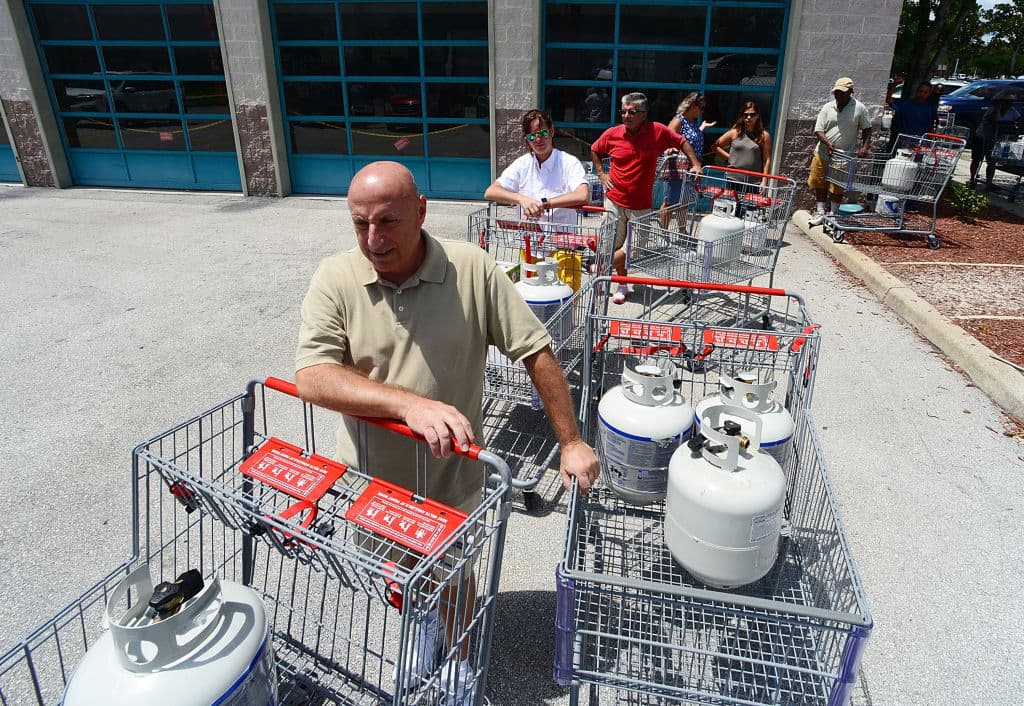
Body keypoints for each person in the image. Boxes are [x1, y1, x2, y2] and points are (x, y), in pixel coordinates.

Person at [294, 161, 600, 703]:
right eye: (360, 223)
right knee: (399, 569)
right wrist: (408, 403)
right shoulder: (335, 277)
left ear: (421, 211)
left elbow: (536, 352)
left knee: (455, 573)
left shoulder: (472, 270)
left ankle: (458, 652)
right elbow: (314, 376)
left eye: (387, 221)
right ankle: (423, 623)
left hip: (451, 475)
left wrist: (571, 442)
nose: (373, 238)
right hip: (374, 478)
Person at [590, 92, 702, 304]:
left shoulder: (657, 131)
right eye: (623, 111)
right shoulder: (613, 134)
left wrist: (695, 163)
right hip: (614, 201)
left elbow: (682, 141)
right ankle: (621, 284)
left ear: (644, 114)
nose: (626, 116)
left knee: (635, 248)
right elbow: (595, 149)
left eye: (632, 112)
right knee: (612, 244)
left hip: (640, 205)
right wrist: (601, 174)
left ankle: (601, 268)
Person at [484, 108, 589, 227]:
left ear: (552, 132)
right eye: (532, 137)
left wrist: (545, 204)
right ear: (527, 139)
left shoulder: (568, 162)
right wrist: (521, 199)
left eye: (543, 133)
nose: (538, 140)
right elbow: (491, 191)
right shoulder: (522, 164)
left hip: (561, 239)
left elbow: (582, 195)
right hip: (528, 238)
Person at [807, 77, 872, 226]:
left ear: (850, 92)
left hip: (843, 155)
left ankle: (833, 214)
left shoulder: (859, 108)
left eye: (842, 93)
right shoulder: (827, 107)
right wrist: (828, 143)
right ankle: (821, 212)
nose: (838, 96)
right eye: (836, 92)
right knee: (820, 182)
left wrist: (865, 147)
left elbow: (867, 129)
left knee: (837, 186)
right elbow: (818, 130)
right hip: (823, 152)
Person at [658, 92, 715, 227]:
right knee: (670, 202)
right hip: (677, 169)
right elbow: (667, 140)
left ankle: (682, 232)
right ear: (693, 106)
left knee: (684, 203)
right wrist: (669, 149)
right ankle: (663, 232)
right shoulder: (678, 121)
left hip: (690, 170)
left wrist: (702, 128)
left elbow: (691, 140)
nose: (702, 111)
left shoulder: (693, 123)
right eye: (701, 108)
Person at [713, 102, 772, 188]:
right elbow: (715, 146)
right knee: (730, 201)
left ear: (758, 116)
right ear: (742, 116)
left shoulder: (764, 136)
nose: (749, 117)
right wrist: (730, 157)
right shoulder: (735, 133)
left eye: (752, 115)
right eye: (745, 115)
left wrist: (764, 181)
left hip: (753, 182)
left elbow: (766, 160)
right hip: (733, 178)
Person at [970, 99, 1022, 189]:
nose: (1008, 104)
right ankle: (972, 178)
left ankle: (989, 182)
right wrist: (997, 108)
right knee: (977, 159)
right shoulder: (993, 109)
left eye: (1010, 103)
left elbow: (1019, 120)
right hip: (982, 137)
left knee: (992, 161)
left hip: (996, 139)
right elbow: (992, 119)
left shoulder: (1012, 111)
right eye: (1007, 102)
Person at [886, 81, 937, 147]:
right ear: (916, 91)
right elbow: (888, 99)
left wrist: (931, 144)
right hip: (901, 143)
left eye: (925, 92)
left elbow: (930, 128)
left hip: (918, 144)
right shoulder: (905, 104)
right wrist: (895, 84)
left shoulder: (930, 109)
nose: (922, 94)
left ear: (929, 94)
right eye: (920, 91)